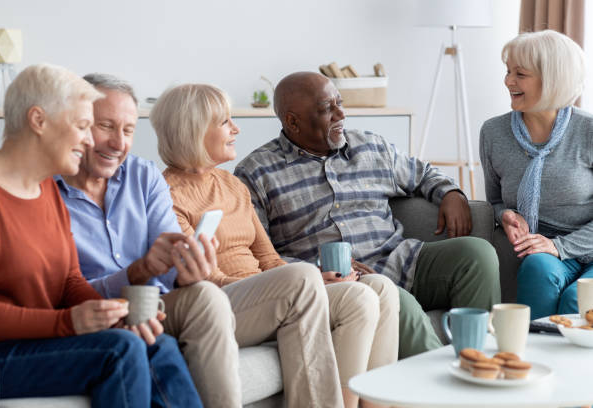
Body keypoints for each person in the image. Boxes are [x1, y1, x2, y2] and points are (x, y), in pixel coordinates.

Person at [57, 73, 342, 408]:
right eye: (106, 126)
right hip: (99, 308)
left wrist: (185, 270)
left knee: (204, 290)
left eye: (129, 130)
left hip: (161, 304)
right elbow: (64, 289)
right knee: (217, 293)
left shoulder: (143, 177)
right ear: (76, 124)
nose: (119, 143)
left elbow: (174, 267)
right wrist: (139, 273)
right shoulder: (48, 194)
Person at [154, 83, 398, 408]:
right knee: (302, 277)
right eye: (225, 122)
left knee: (378, 289)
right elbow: (206, 282)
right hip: (222, 303)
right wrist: (291, 283)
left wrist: (315, 282)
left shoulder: (232, 185)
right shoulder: (167, 195)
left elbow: (268, 259)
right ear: (194, 130)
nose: (236, 128)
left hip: (271, 296)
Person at [234, 72, 501, 358]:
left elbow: (423, 173)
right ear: (292, 121)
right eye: (327, 109)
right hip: (340, 284)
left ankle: (479, 365)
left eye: (340, 102)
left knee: (476, 254)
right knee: (398, 303)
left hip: (400, 260)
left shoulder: (371, 146)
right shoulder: (256, 174)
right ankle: (442, 394)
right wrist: (315, 275)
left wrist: (451, 193)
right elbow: (254, 253)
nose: (341, 114)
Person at [0, 64, 201, 407]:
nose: (88, 140)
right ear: (38, 121)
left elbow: (69, 280)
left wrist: (118, 313)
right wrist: (67, 322)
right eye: (83, 126)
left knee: (155, 342)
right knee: (121, 347)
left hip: (38, 340)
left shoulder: (46, 192)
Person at [480, 30, 593, 320]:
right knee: (537, 268)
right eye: (507, 72)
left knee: (576, 300)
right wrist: (504, 214)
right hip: (542, 251)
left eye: (520, 74)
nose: (508, 81)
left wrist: (559, 246)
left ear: (553, 78)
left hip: (585, 245)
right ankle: (527, 361)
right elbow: (494, 200)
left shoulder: (588, 131)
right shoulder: (493, 133)